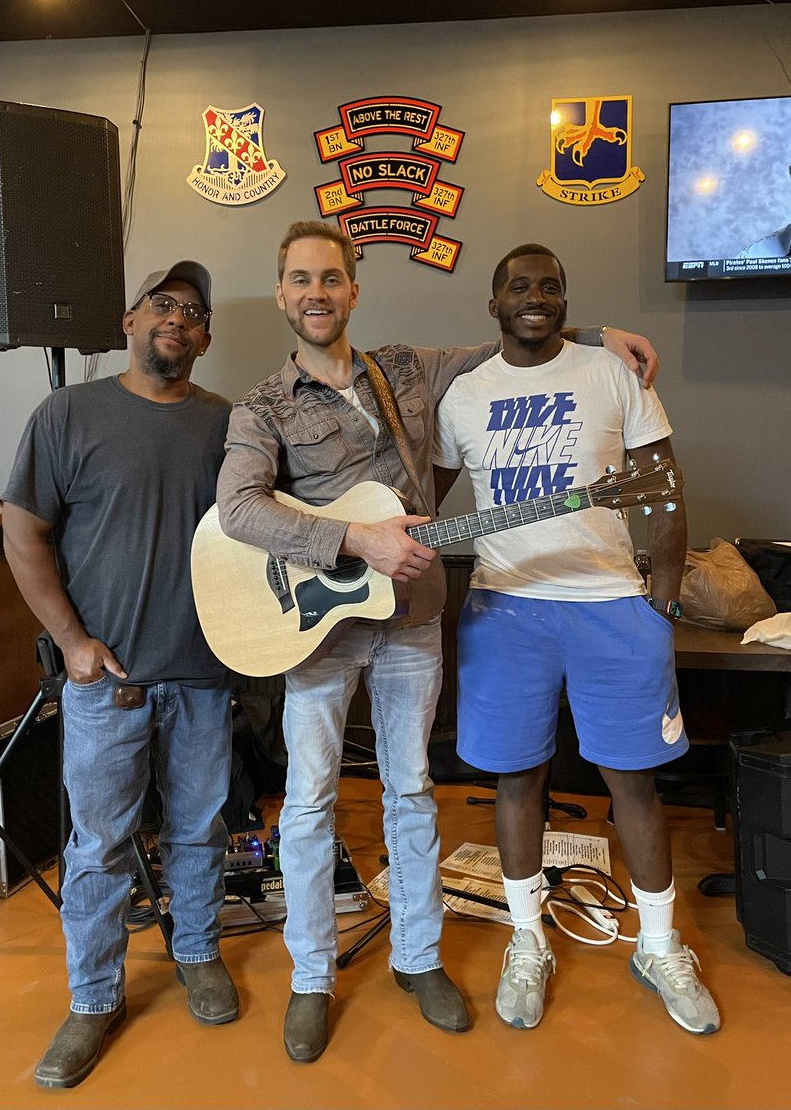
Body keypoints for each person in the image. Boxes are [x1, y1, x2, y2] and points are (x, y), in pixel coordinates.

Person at [216, 220, 660, 1063]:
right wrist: (357, 542)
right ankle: (312, 978)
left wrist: (603, 335)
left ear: (354, 290)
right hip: (315, 632)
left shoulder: (408, 371)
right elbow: (239, 510)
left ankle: (418, 959)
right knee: (309, 805)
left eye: (332, 279)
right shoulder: (262, 406)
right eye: (300, 280)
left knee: (411, 789)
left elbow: (517, 339)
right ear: (283, 294)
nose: (317, 293)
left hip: (413, 618)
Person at [433, 243, 720, 1036]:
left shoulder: (612, 372)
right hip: (505, 611)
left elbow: (662, 491)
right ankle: (528, 939)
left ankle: (659, 946)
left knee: (633, 783)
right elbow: (426, 510)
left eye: (551, 287)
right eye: (519, 287)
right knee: (517, 781)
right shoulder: (462, 394)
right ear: (493, 305)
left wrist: (659, 606)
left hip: (610, 607)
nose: (536, 297)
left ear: (567, 300)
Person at [2, 262, 236, 1089]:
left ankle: (199, 953)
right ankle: (94, 998)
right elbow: (22, 533)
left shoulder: (228, 426)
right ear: (129, 320)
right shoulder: (67, 414)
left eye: (193, 312)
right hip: (107, 683)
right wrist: (70, 641)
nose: (178, 319)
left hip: (205, 675)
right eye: (163, 304)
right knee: (98, 848)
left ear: (206, 337)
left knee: (201, 830)